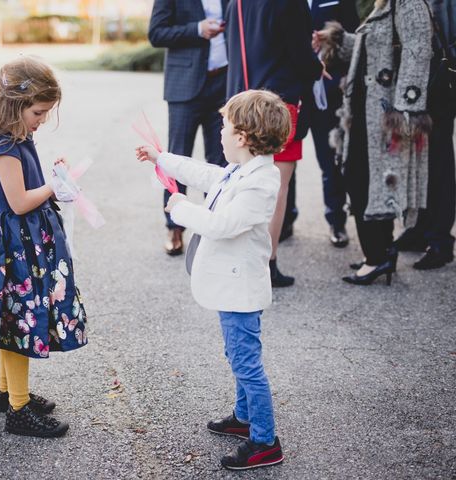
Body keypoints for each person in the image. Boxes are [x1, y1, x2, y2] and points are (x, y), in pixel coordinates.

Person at [136, 89, 291, 471]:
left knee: (246, 364)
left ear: (242, 137)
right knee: (237, 356)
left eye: (224, 126)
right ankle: (243, 417)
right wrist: (163, 159)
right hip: (230, 287)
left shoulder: (261, 182)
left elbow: (222, 225)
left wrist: (182, 209)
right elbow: (205, 174)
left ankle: (265, 440)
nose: (219, 132)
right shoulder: (241, 170)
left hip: (241, 290)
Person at [0, 57, 87, 438]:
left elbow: (27, 188)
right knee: (18, 324)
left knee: (14, 319)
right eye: (38, 112)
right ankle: (19, 411)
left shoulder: (14, 135)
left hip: (17, 237)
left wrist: (53, 175)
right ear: (15, 104)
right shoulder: (3, 145)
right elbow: (20, 201)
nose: (41, 120)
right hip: (9, 242)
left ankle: (7, 391)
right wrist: (58, 185)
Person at [316, 0, 433, 285]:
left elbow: (418, 52)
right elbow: (374, 46)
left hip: (384, 113)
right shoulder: (387, 4)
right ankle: (380, 253)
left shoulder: (409, 4)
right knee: (363, 180)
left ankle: (377, 257)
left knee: (368, 182)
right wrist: (337, 39)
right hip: (365, 110)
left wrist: (404, 109)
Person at [224, 0, 325, 287]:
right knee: (276, 189)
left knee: (242, 184)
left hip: (240, 103)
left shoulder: (236, 3)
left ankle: (240, 259)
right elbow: (301, 58)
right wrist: (318, 67)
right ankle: (265, 265)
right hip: (275, 107)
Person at [148, 0, 229, 256]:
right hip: (184, 85)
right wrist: (197, 29)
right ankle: (174, 227)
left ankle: (215, 228)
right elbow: (156, 33)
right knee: (176, 156)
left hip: (224, 82)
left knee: (221, 160)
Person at [393, 0, 456, 270]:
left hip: (439, 78)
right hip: (417, 79)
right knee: (419, 159)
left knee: (437, 160)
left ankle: (440, 240)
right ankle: (420, 228)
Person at [292, 0, 360, 248]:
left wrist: (329, 39)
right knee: (286, 158)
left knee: (331, 158)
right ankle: (286, 219)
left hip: (329, 89)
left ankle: (337, 220)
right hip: (293, 87)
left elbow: (355, 35)